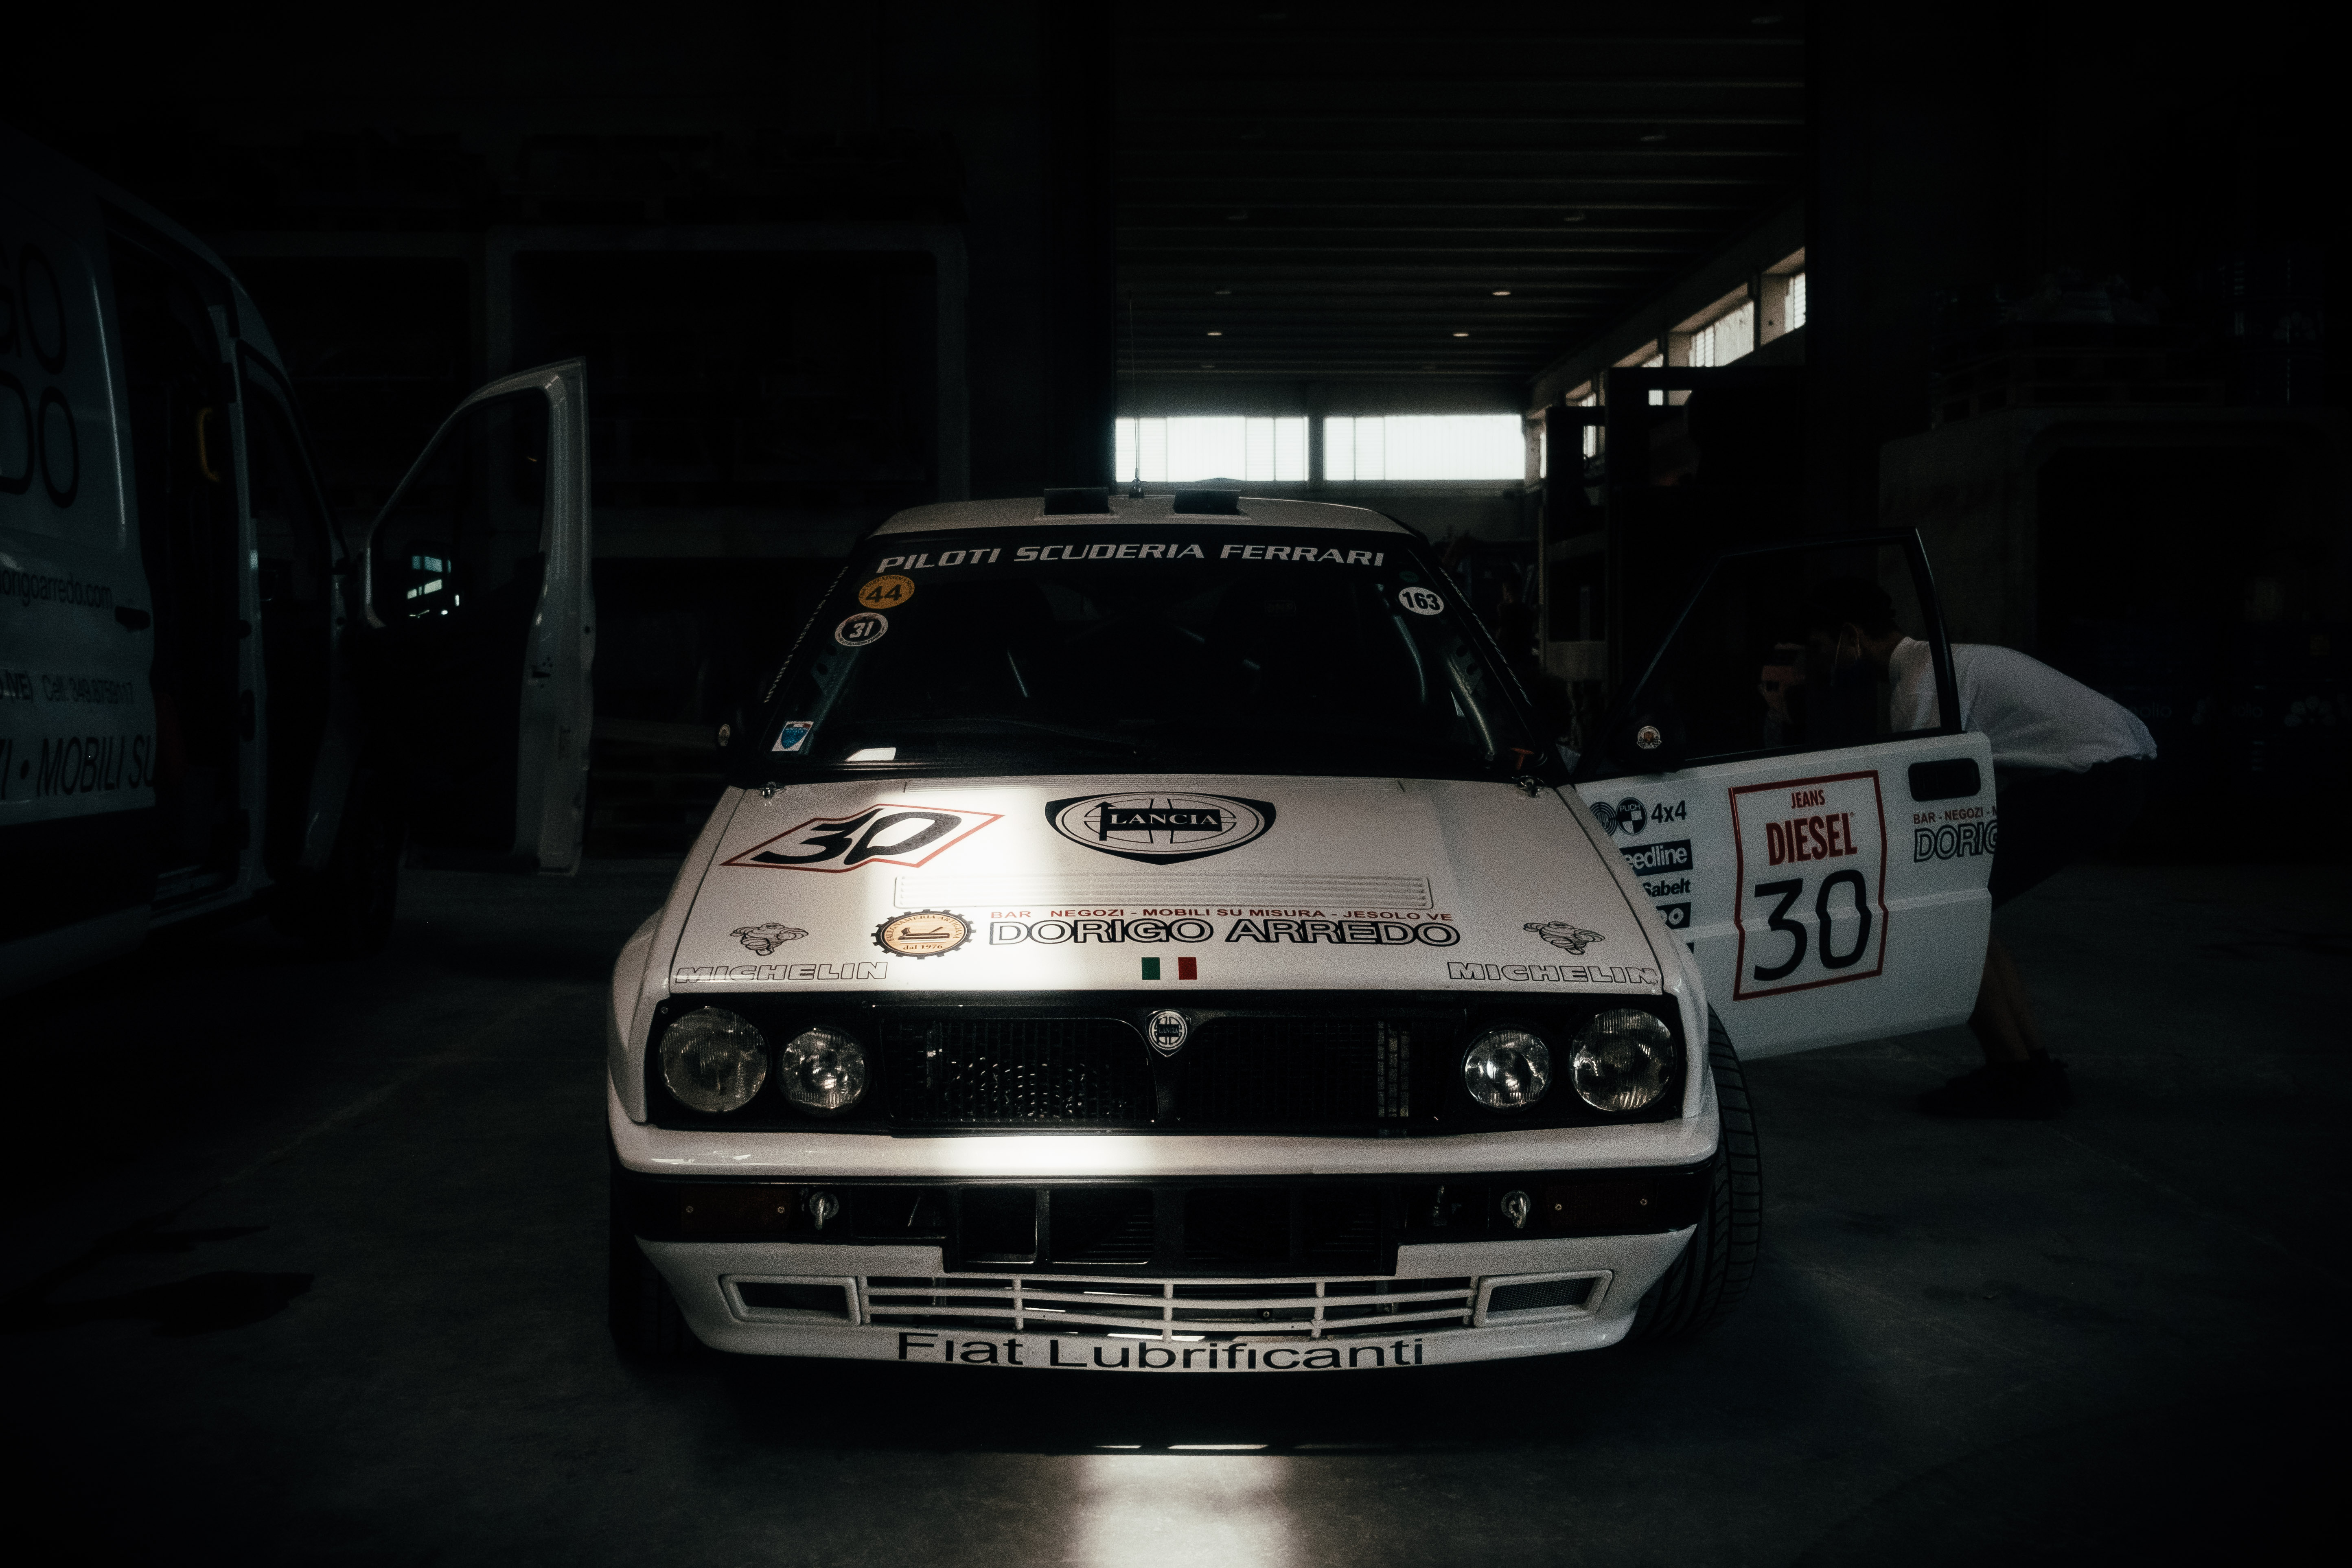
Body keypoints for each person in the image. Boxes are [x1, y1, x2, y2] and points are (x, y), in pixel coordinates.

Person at [1801, 578, 2157, 1119]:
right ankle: (2030, 1067)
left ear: (1851, 637)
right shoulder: (1936, 665)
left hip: (2095, 782)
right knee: (1971, 910)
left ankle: (2015, 1073)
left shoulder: (1921, 684)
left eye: (1817, 647)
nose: (1813, 662)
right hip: (2110, 776)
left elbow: (1918, 800)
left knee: (1950, 910)